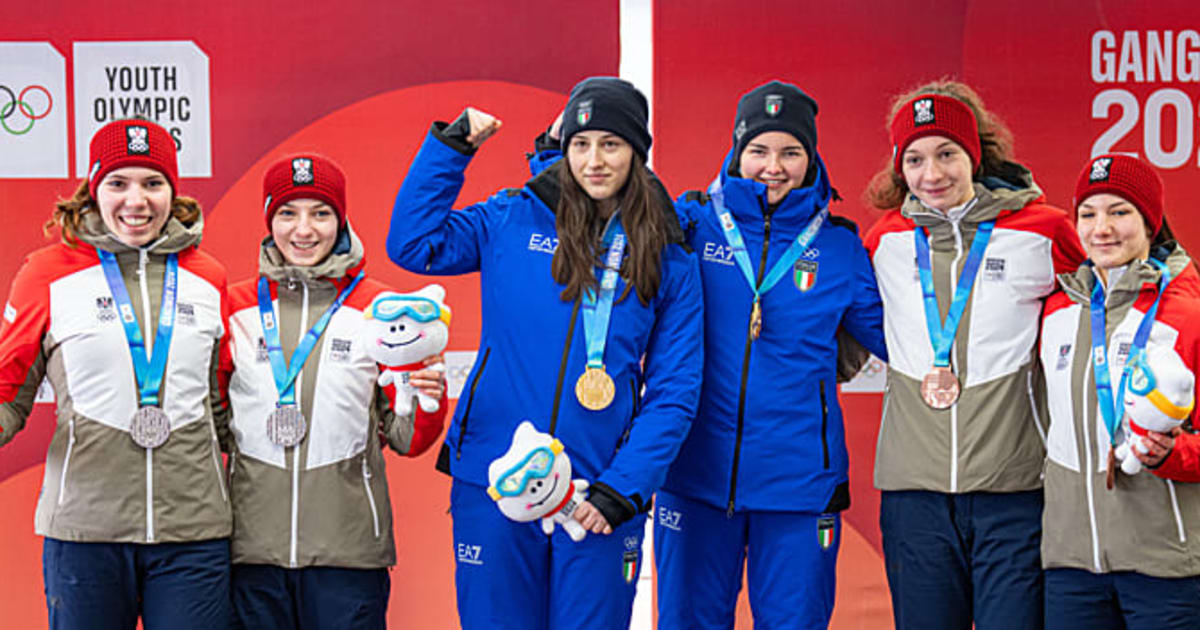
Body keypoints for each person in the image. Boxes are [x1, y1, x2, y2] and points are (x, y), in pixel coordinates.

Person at [386, 76, 703, 629]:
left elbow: (674, 392)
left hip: (597, 491)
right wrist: (452, 146)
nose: (595, 160)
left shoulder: (667, 253)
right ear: (564, 147)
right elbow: (414, 243)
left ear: (637, 151)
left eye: (612, 144)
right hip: (494, 480)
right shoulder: (510, 218)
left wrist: (621, 489)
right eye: (582, 144)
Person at [651, 80, 887, 629]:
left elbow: (904, 342)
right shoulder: (689, 225)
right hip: (694, 477)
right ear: (737, 152)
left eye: (790, 152)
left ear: (811, 158)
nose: (772, 167)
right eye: (758, 150)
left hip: (800, 486)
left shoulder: (840, 247)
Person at [862, 80, 1086, 630]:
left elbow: (1107, 306)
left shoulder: (1043, 230)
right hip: (914, 496)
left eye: (946, 154)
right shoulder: (885, 239)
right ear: (898, 167)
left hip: (1013, 492)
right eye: (913, 159)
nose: (931, 174)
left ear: (975, 154)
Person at [0, 118, 232, 628]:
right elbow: (8, 391)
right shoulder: (47, 274)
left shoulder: (207, 276)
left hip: (193, 534)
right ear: (93, 189)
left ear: (173, 191)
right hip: (86, 533)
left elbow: (223, 405)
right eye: (118, 183)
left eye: (153, 183)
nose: (136, 201)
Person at [222, 153, 447, 630]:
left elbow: (409, 439)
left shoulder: (380, 310)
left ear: (341, 220)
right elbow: (215, 420)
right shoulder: (234, 306)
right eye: (288, 213)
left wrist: (430, 399)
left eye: (320, 213)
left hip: (349, 554)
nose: (304, 230)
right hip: (250, 552)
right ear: (269, 220)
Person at [1039, 154, 1200, 630]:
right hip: (1071, 564)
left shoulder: (1186, 314)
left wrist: (1171, 454)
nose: (1101, 228)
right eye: (1088, 214)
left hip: (1165, 565)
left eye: (1120, 211)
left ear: (1150, 222)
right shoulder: (1057, 311)